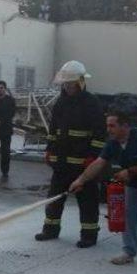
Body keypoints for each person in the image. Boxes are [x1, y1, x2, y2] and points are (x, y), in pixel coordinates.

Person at [70, 110, 137, 272]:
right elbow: (98, 163)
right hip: (135, 183)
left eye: (112, 125)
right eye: (107, 125)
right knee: (128, 214)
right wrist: (80, 180)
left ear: (125, 126)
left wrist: (129, 172)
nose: (108, 129)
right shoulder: (113, 143)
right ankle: (129, 252)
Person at [35, 60, 107, 248]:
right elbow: (53, 129)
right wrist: (49, 149)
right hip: (61, 163)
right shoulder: (61, 102)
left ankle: (89, 234)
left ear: (81, 82)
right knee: (54, 198)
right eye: (65, 84)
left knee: (88, 201)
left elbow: (100, 133)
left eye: (70, 84)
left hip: (84, 164)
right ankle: (50, 229)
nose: (67, 87)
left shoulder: (92, 103)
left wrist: (93, 156)